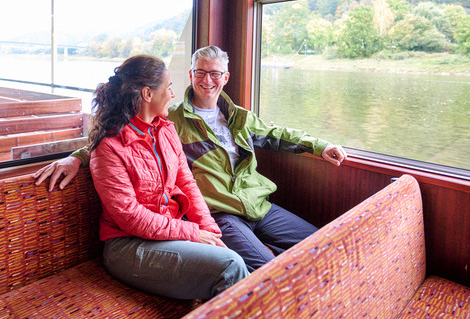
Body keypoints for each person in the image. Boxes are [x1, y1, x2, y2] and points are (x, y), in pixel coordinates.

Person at [34, 46, 347, 272]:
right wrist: (77, 157)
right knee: (262, 269)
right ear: (191, 75)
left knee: (322, 241)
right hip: (222, 209)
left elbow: (276, 134)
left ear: (225, 77)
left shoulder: (237, 117)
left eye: (214, 74)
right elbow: (116, 139)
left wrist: (319, 145)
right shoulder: (173, 120)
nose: (206, 80)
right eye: (200, 73)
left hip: (256, 204)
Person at [80, 54, 248, 300]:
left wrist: (210, 232)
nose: (172, 93)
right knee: (230, 266)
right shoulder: (110, 146)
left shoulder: (165, 130)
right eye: (168, 87)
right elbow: (130, 217)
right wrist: (192, 233)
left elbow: (186, 183)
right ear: (147, 94)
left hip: (168, 234)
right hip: (128, 246)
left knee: (239, 260)